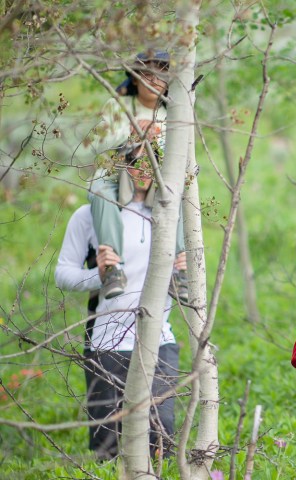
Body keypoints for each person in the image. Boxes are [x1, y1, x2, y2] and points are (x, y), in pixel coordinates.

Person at [55, 150, 182, 460]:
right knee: (107, 444)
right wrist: (97, 275)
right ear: (121, 163)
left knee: (160, 435)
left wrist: (185, 268)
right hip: (106, 342)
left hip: (158, 339)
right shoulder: (88, 215)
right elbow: (63, 274)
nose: (143, 169)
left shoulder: (173, 215)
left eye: (154, 160)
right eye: (134, 160)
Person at [87, 50, 187, 303]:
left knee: (181, 194)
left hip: (157, 179)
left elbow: (184, 155)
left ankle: (180, 271)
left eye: (161, 75)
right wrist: (130, 135)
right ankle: (112, 269)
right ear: (134, 78)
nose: (153, 81)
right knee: (98, 189)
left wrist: (158, 142)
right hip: (119, 172)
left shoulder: (174, 112)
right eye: (146, 75)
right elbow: (97, 145)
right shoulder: (118, 105)